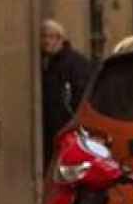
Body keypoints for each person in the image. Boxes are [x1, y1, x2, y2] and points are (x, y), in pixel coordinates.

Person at [40, 19, 95, 168]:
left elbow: (81, 95)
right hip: (50, 129)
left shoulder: (76, 63)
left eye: (50, 37)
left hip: (67, 127)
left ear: (60, 39)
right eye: (43, 37)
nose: (46, 41)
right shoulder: (44, 63)